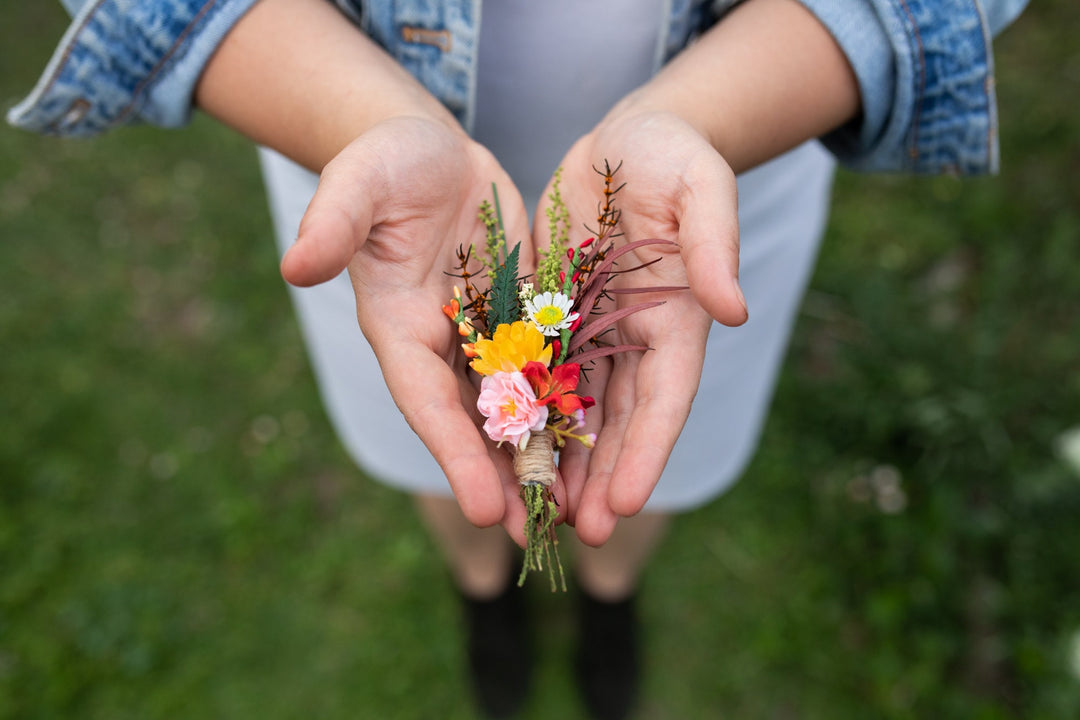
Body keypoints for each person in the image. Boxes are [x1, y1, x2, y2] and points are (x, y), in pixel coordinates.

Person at [9, 0, 1029, 717]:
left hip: (708, 176)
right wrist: (373, 122)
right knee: (439, 444)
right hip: (376, 174)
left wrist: (698, 121)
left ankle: (608, 597)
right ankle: (484, 592)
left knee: (643, 453)